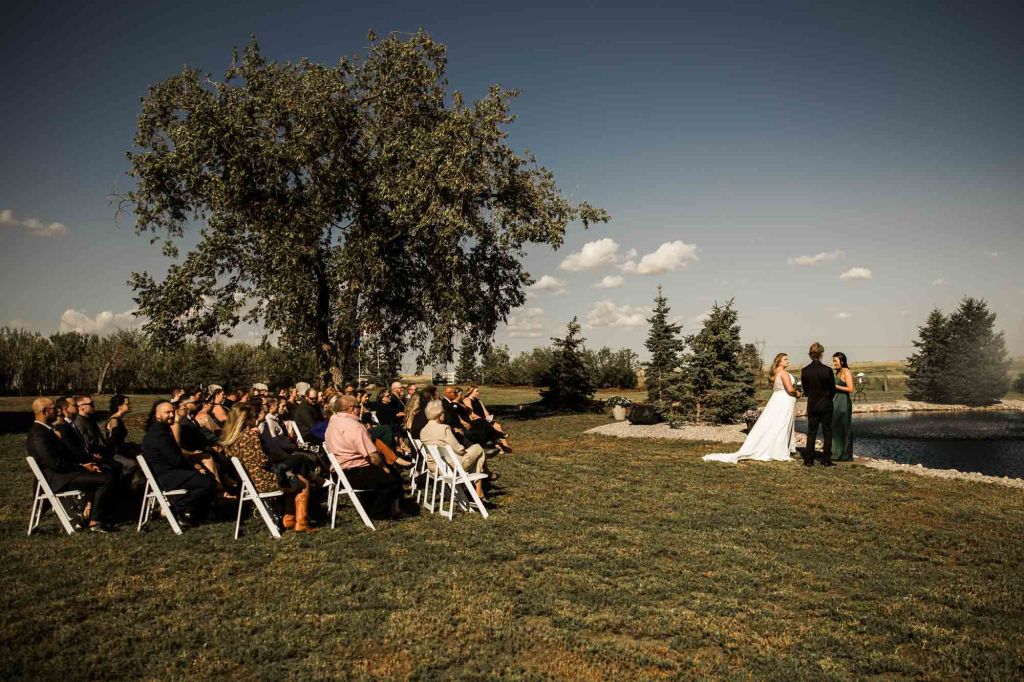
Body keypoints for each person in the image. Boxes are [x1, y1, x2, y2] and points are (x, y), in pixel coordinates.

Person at [223, 403, 315, 533]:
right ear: (248, 419)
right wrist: (260, 439)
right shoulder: (250, 435)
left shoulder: (232, 440)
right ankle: (301, 523)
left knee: (295, 477)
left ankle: (289, 519)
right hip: (263, 481)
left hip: (251, 481)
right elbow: (263, 461)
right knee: (303, 483)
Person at [27, 397, 115, 531]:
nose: (57, 412)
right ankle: (95, 521)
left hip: (64, 474)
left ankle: (90, 515)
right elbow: (55, 464)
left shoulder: (46, 430)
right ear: (45, 412)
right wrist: (82, 467)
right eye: (54, 409)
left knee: (103, 472)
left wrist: (87, 464)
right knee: (105, 479)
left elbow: (65, 455)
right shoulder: (38, 434)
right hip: (57, 478)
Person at [703, 353, 799, 464]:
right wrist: (797, 392)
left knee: (773, 424)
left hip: (776, 400)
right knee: (781, 424)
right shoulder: (783, 373)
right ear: (779, 362)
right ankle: (778, 449)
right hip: (784, 401)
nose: (788, 361)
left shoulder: (775, 373)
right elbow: (790, 389)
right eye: (785, 359)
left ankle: (771, 446)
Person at [324, 395, 403, 519]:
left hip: (338, 473)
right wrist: (384, 468)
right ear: (351, 408)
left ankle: (373, 506)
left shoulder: (332, 423)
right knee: (392, 479)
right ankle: (379, 513)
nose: (360, 409)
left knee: (384, 474)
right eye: (358, 406)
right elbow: (373, 457)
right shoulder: (354, 426)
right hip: (354, 473)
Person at [141, 402, 216, 525]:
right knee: (207, 482)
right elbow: (175, 459)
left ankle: (197, 512)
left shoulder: (162, 430)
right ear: (157, 416)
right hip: (168, 476)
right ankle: (181, 506)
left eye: (172, 411)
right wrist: (194, 468)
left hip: (170, 472)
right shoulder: (160, 435)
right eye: (167, 412)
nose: (171, 415)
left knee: (206, 477)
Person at [420, 399, 496, 501]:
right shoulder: (444, 428)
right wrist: (465, 450)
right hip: (452, 467)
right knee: (478, 448)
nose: (444, 415)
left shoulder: (423, 431)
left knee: (476, 457)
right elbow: (459, 449)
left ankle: (479, 491)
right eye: (443, 412)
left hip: (436, 467)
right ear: (438, 414)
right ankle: (480, 484)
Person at [801, 342, 836, 467]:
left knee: (811, 432)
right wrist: (828, 398)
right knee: (827, 432)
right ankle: (826, 459)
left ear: (810, 355)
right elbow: (833, 389)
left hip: (812, 405)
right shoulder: (827, 370)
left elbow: (805, 390)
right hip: (826, 404)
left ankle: (809, 460)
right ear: (821, 354)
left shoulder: (805, 371)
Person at [461, 386, 512, 453]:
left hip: (483, 420)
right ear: (471, 392)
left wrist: (488, 418)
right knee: (488, 427)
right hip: (476, 421)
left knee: (497, 425)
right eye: (476, 391)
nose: (478, 393)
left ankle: (506, 446)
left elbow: (485, 411)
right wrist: (484, 420)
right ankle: (498, 446)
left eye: (478, 391)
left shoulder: (478, 400)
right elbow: (472, 415)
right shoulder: (467, 400)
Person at [831, 352, 855, 462]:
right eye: (833, 361)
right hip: (836, 401)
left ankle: (845, 454)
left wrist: (835, 386)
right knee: (835, 427)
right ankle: (836, 452)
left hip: (844, 402)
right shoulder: (837, 372)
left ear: (842, 361)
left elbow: (850, 389)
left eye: (835, 361)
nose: (834, 363)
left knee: (844, 426)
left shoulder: (847, 372)